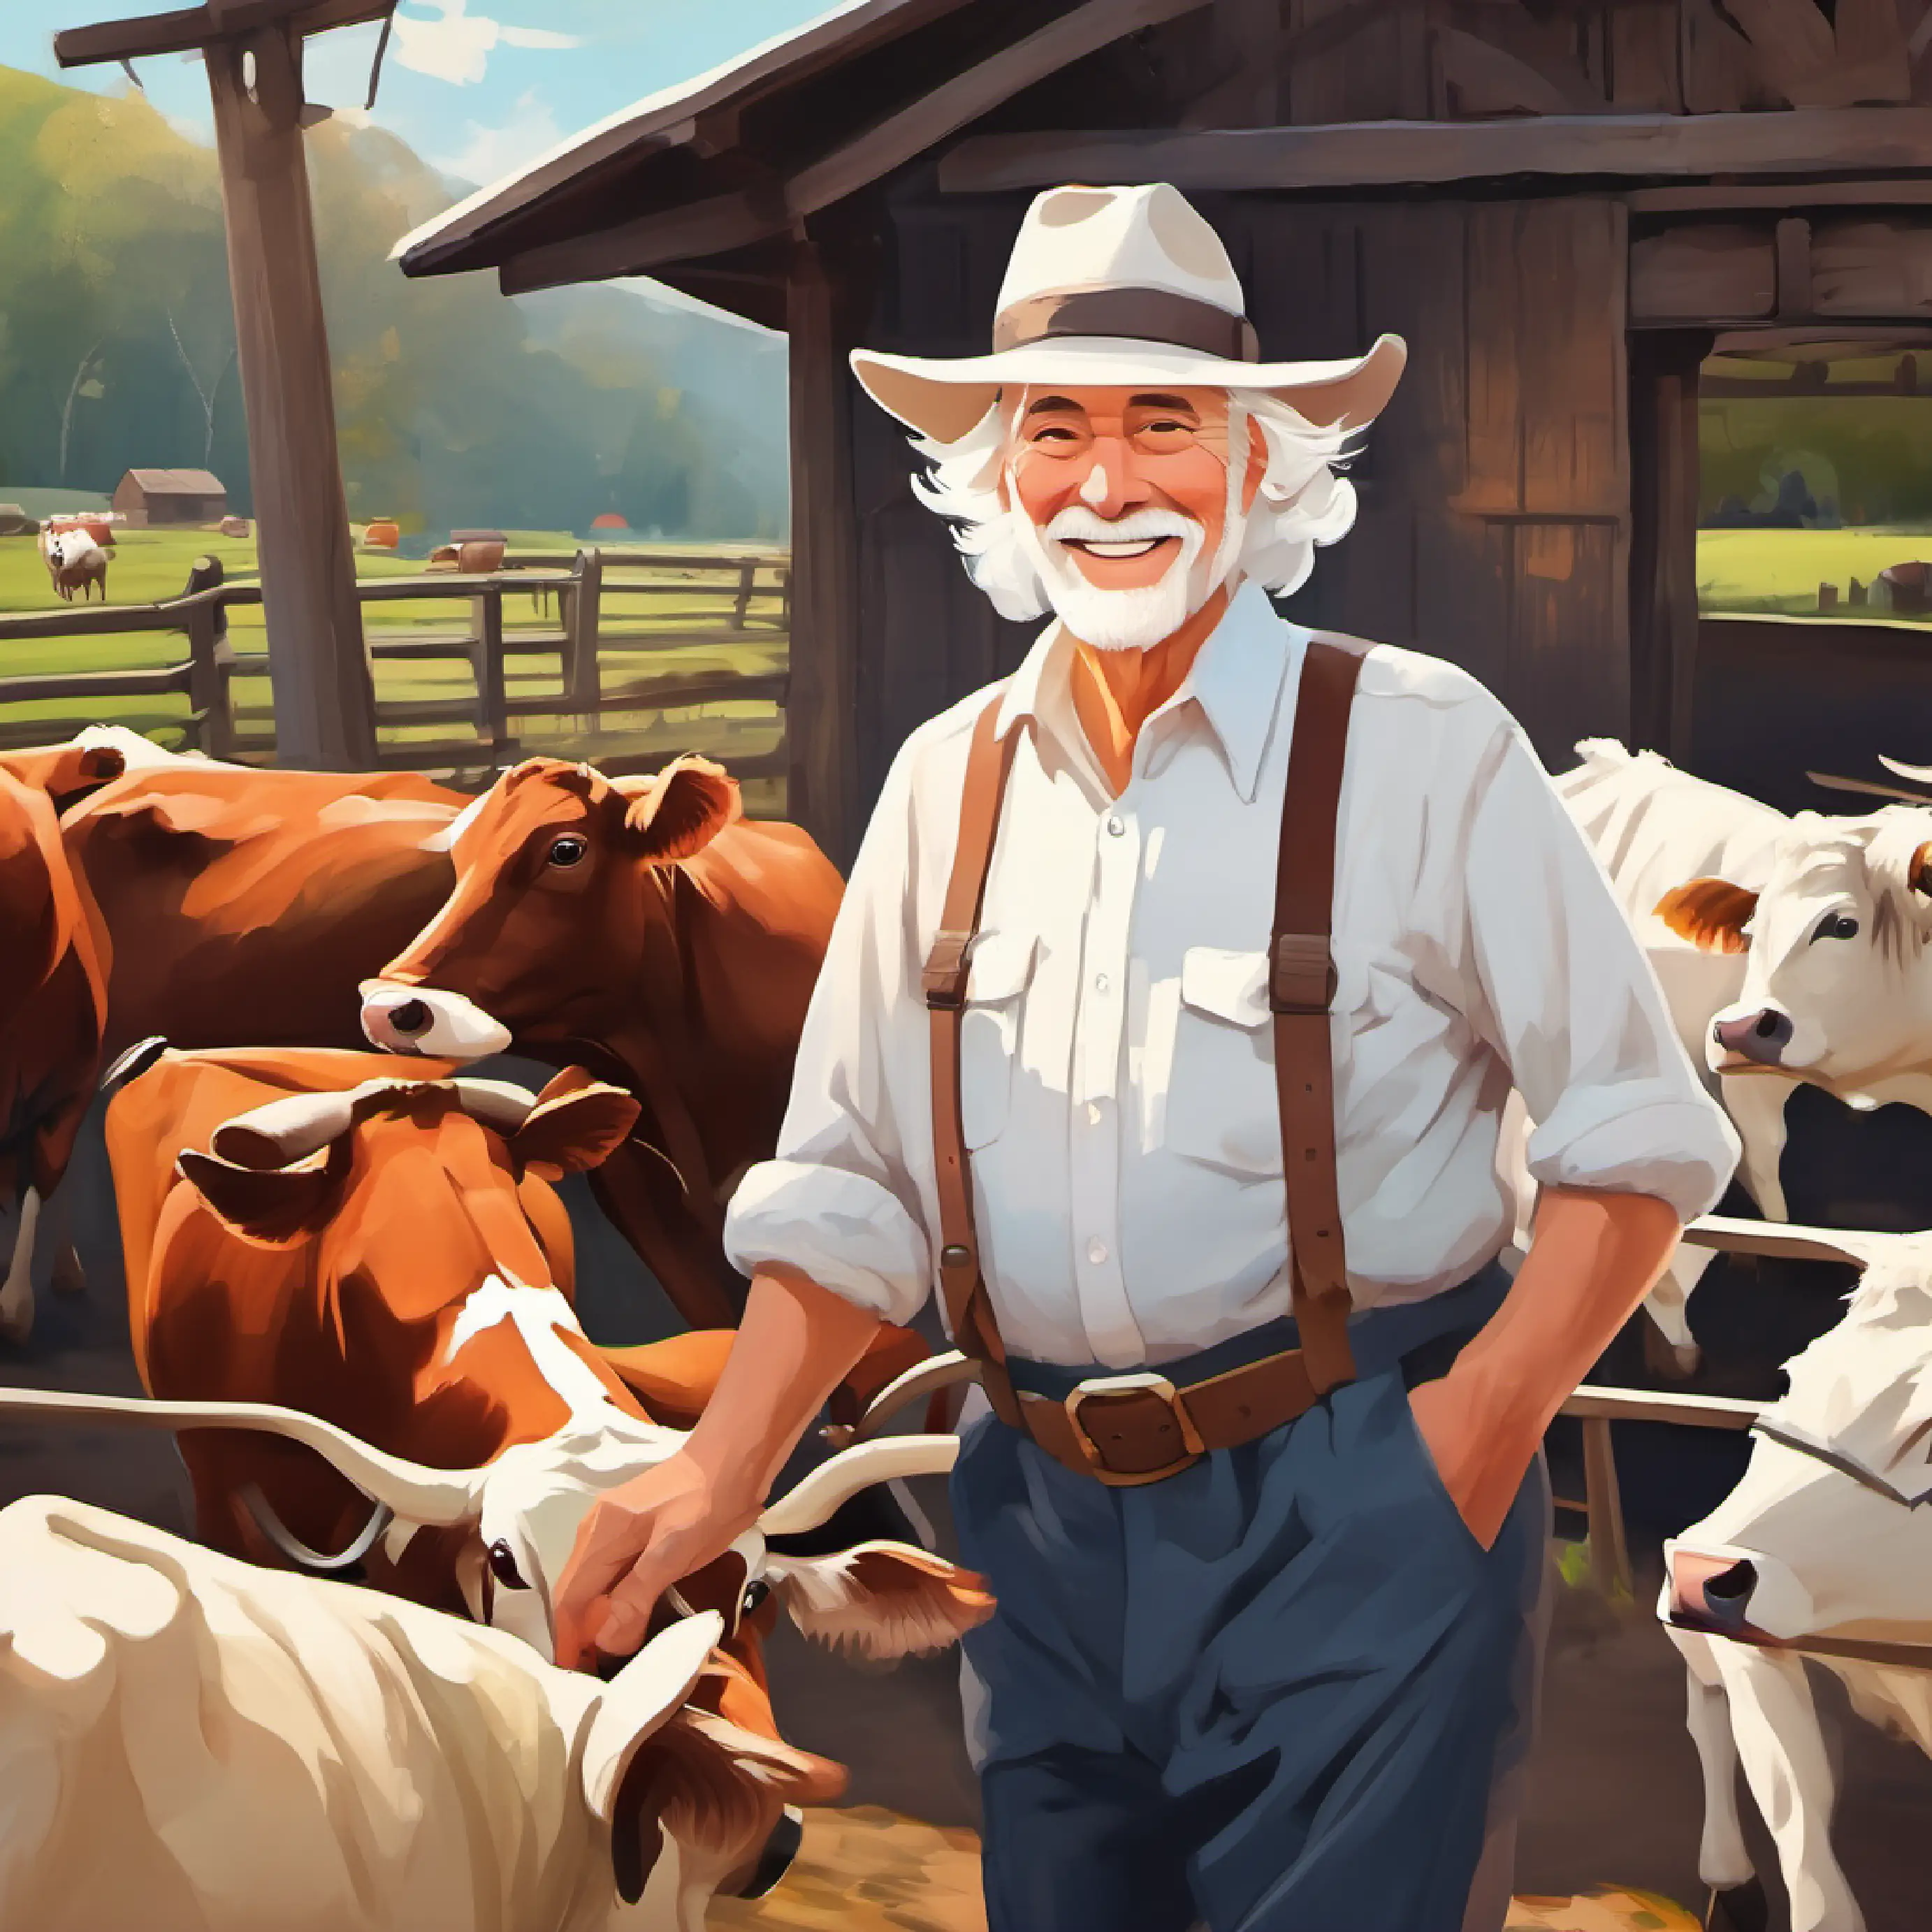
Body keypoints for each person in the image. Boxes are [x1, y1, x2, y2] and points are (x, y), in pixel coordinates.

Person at [551, 182, 1740, 1931]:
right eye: (1056, 429)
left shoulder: (1422, 746)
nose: (1106, 485)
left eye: (1159, 425)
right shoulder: (941, 781)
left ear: (1258, 462)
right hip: (1025, 1527)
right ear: (999, 475)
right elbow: (851, 1188)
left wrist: (1472, 1434)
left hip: (1355, 1490)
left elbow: (1634, 1140)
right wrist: (714, 1466)